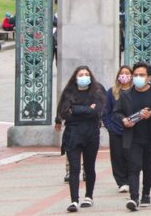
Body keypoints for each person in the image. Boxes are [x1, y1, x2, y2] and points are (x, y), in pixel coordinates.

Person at [114, 61, 151, 211]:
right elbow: (117, 112)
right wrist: (124, 120)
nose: (138, 78)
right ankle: (134, 198)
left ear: (149, 77)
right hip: (133, 138)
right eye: (136, 75)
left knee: (147, 167)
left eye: (141, 75)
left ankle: (146, 194)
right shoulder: (126, 94)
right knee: (134, 167)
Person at [56, 66, 106, 212]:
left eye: (86, 74)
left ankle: (89, 196)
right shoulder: (69, 92)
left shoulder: (97, 91)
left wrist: (77, 109)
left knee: (89, 167)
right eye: (81, 74)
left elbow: (96, 112)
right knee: (74, 168)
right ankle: (74, 200)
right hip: (73, 134)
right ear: (75, 77)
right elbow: (65, 112)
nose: (84, 76)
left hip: (91, 134)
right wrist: (86, 109)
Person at [103, 65, 133, 193]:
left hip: (132, 129)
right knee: (117, 156)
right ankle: (122, 181)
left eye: (127, 73)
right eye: (122, 73)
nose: (124, 75)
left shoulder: (135, 91)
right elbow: (106, 111)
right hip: (116, 130)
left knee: (131, 155)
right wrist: (110, 126)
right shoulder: (112, 92)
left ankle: (132, 179)